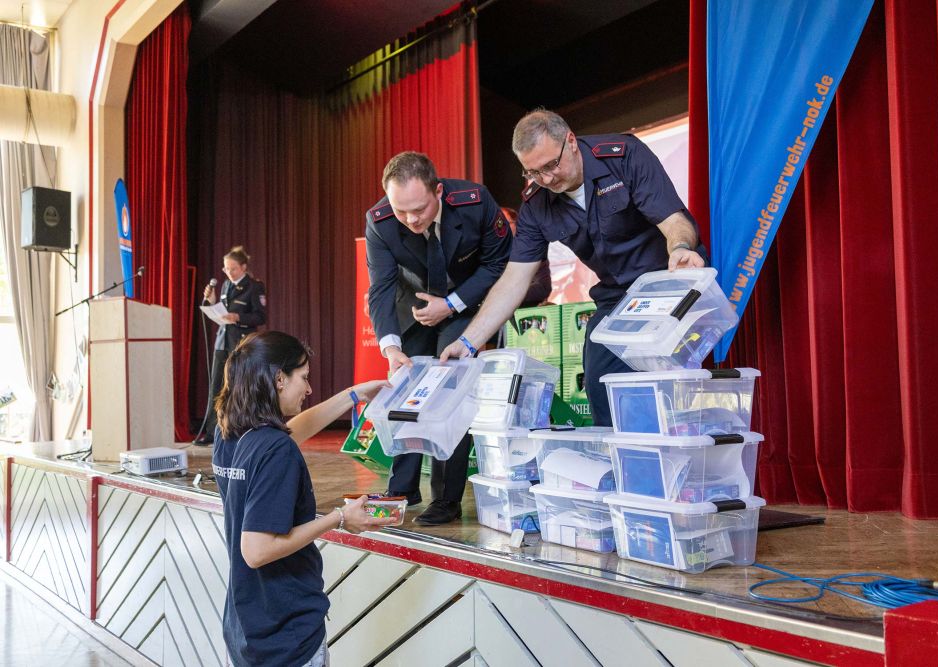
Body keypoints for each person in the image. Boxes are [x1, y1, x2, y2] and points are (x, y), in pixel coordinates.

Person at [441, 109, 707, 427]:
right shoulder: (536, 203)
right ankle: (625, 466)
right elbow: (515, 278)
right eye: (534, 172)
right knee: (599, 380)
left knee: (669, 382)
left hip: (667, 279)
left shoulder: (622, 156)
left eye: (552, 165)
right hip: (617, 296)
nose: (548, 179)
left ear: (570, 141)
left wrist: (679, 249)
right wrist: (467, 343)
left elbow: (674, 220)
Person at [212, 330, 396, 667]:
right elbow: (256, 551)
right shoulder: (275, 449)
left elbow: (295, 428)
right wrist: (339, 518)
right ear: (279, 379)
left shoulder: (231, 433)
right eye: (304, 378)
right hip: (287, 630)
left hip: (246, 623)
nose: (309, 389)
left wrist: (353, 395)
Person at [365, 151, 513, 525]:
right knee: (405, 391)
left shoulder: (475, 204)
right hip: (411, 307)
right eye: (402, 212)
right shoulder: (379, 222)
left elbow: (498, 265)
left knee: (448, 389)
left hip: (464, 305)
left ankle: (446, 499)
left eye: (419, 209)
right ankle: (403, 487)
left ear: (439, 192)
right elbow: (380, 288)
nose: (411, 220)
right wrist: (391, 347)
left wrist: (451, 304)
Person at [196, 246, 267, 445]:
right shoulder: (226, 285)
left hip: (242, 343)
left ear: (243, 267)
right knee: (216, 387)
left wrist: (238, 317)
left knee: (241, 386)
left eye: (233, 268)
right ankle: (212, 432)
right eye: (226, 269)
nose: (229, 272)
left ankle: (244, 430)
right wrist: (211, 302)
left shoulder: (254, 286)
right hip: (223, 341)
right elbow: (222, 312)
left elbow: (261, 317)